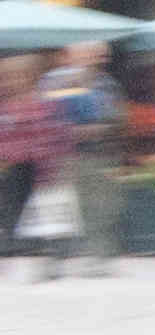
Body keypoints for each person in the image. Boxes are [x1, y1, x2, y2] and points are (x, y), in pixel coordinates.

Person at [42, 43, 128, 276]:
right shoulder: (53, 81)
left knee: (98, 208)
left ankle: (98, 259)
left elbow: (114, 118)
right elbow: (44, 113)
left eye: (100, 54)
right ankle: (54, 261)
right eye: (92, 53)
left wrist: (99, 128)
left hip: (95, 154)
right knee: (59, 208)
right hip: (60, 156)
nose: (99, 58)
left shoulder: (105, 83)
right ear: (71, 55)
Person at [0, 55, 68, 275]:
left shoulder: (43, 105)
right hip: (14, 168)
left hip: (41, 168)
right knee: (12, 212)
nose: (8, 82)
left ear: (29, 77)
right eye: (5, 78)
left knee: (47, 213)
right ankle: (11, 251)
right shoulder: (5, 107)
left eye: (13, 77)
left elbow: (55, 137)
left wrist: (52, 163)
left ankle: (52, 257)